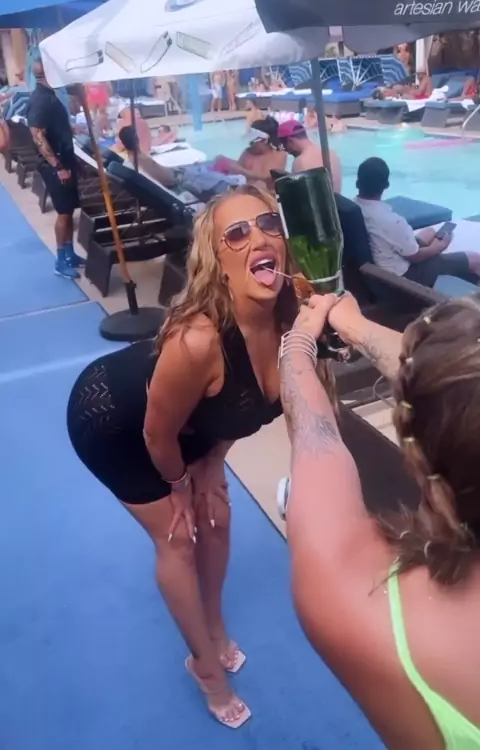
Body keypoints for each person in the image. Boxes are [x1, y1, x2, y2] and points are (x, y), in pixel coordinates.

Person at [66, 185, 335, 728]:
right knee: (179, 539)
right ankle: (205, 668)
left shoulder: (292, 319)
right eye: (236, 233)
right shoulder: (198, 340)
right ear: (217, 261)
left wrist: (211, 462)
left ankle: (212, 626)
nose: (258, 237)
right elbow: (156, 433)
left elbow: (242, 410)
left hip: (188, 426)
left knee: (219, 517)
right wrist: (181, 486)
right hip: (115, 422)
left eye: (268, 224)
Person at [280, 289, 480, 748]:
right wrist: (356, 326)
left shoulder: (379, 617)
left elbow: (316, 438)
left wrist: (298, 344)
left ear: (433, 481)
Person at [355, 157, 480, 287]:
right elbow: (415, 257)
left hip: (380, 261)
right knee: (476, 259)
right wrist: (438, 247)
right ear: (386, 185)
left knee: (429, 232)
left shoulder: (353, 209)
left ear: (358, 182)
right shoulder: (390, 221)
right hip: (403, 276)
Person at [26, 60, 85, 279]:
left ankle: (69, 253)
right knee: (63, 212)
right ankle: (60, 261)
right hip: (54, 165)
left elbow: (53, 127)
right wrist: (58, 166)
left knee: (69, 210)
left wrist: (69, 130)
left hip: (64, 160)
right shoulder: (41, 100)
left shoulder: (50, 96)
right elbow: (37, 135)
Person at [118, 125, 245, 196]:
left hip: (180, 173)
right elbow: (167, 180)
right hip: (183, 180)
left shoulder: (136, 158)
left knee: (217, 161)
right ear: (136, 138)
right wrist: (179, 176)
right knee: (220, 165)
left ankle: (241, 174)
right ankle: (241, 180)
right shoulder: (140, 160)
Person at [277, 119, 342, 194]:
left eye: (284, 146)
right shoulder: (331, 153)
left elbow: (299, 194)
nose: (287, 152)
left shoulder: (300, 161)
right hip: (337, 201)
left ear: (290, 141)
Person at [237, 117, 287, 189]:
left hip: (267, 194)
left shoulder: (280, 155)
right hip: (246, 192)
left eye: (253, 142)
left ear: (264, 140)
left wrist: (241, 171)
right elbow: (236, 174)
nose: (250, 144)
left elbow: (269, 178)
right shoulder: (247, 152)